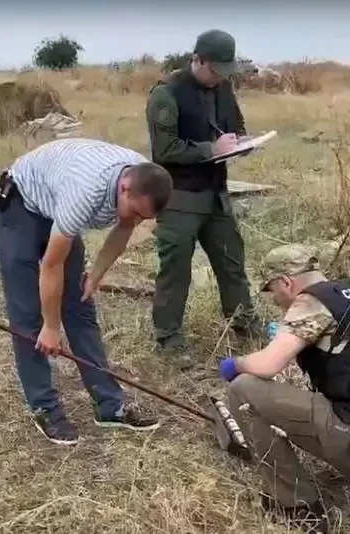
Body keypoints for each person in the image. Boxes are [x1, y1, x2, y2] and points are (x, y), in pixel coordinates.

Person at [0, 137, 172, 445]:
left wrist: (95, 275)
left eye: (144, 217)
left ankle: (110, 405)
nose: (136, 220)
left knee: (81, 306)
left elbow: (124, 229)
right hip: (20, 205)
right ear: (124, 187)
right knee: (28, 314)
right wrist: (50, 327)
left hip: (56, 202)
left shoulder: (143, 179)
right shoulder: (85, 192)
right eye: (135, 211)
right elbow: (51, 265)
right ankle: (45, 407)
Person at [145, 29, 264, 369]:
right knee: (176, 269)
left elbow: (235, 125)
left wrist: (242, 143)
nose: (219, 78)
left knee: (232, 261)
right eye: (214, 70)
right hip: (179, 195)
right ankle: (169, 338)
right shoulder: (166, 93)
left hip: (216, 194)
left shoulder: (223, 86)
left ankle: (244, 323)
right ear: (196, 59)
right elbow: (165, 149)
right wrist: (212, 149)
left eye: (224, 72)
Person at [218, 244, 348, 533]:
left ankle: (297, 506)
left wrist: (235, 363)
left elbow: (268, 364)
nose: (275, 299)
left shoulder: (312, 302)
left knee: (244, 388)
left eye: (273, 290)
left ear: (286, 282)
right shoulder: (343, 294)